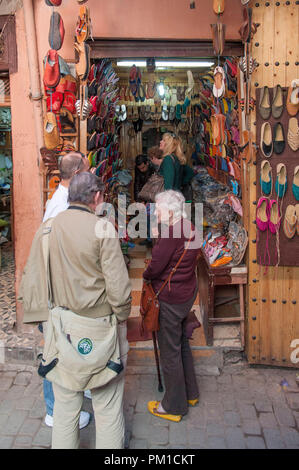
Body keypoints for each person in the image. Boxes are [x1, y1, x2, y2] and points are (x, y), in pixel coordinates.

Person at [20, 172, 132, 448]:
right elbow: (119, 289)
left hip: (61, 328)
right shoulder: (102, 229)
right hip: (99, 328)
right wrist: (121, 316)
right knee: (107, 408)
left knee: (66, 409)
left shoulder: (48, 227)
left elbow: (32, 276)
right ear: (96, 197)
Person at [42, 152, 91, 429]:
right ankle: (54, 411)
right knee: (55, 345)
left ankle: (76, 388)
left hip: (65, 285)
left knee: (67, 340)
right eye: (86, 170)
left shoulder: (64, 200)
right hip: (58, 288)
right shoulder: (60, 206)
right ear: (77, 174)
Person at [143, 190, 200, 422]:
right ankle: (191, 393)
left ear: (168, 211)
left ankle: (174, 406)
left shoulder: (171, 234)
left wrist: (146, 274)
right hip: (186, 294)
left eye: (158, 208)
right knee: (181, 344)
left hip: (171, 298)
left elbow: (155, 267)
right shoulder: (190, 227)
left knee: (170, 351)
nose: (155, 212)